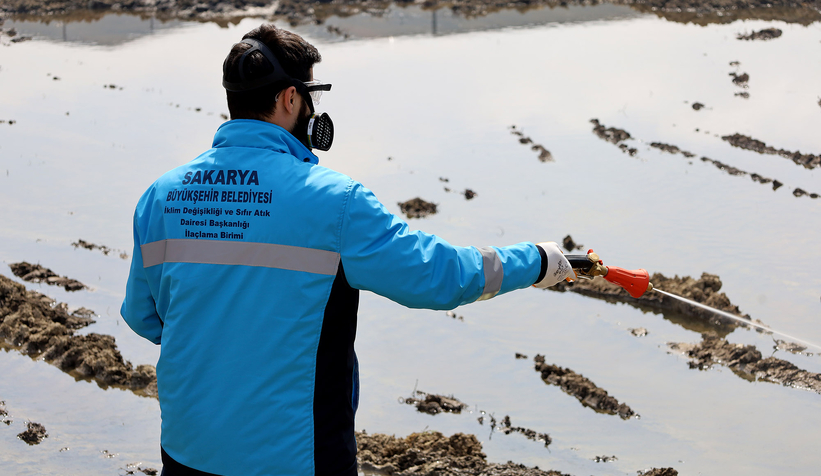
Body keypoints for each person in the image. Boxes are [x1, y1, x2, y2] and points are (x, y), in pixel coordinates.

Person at [121, 24, 575, 476]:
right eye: (311, 95)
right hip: (296, 458)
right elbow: (440, 278)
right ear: (290, 99)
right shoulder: (335, 203)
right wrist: (535, 260)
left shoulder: (162, 196)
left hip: (185, 451)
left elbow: (144, 317)